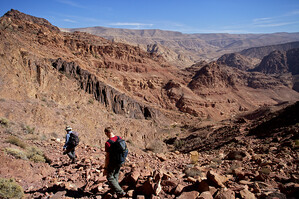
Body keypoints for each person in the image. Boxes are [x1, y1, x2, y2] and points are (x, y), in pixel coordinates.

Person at [104, 127, 126, 197]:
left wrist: (105, 167)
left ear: (106, 133)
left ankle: (120, 192)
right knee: (115, 175)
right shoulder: (119, 138)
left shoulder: (108, 143)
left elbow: (107, 157)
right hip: (121, 160)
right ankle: (115, 190)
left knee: (109, 177)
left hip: (113, 162)